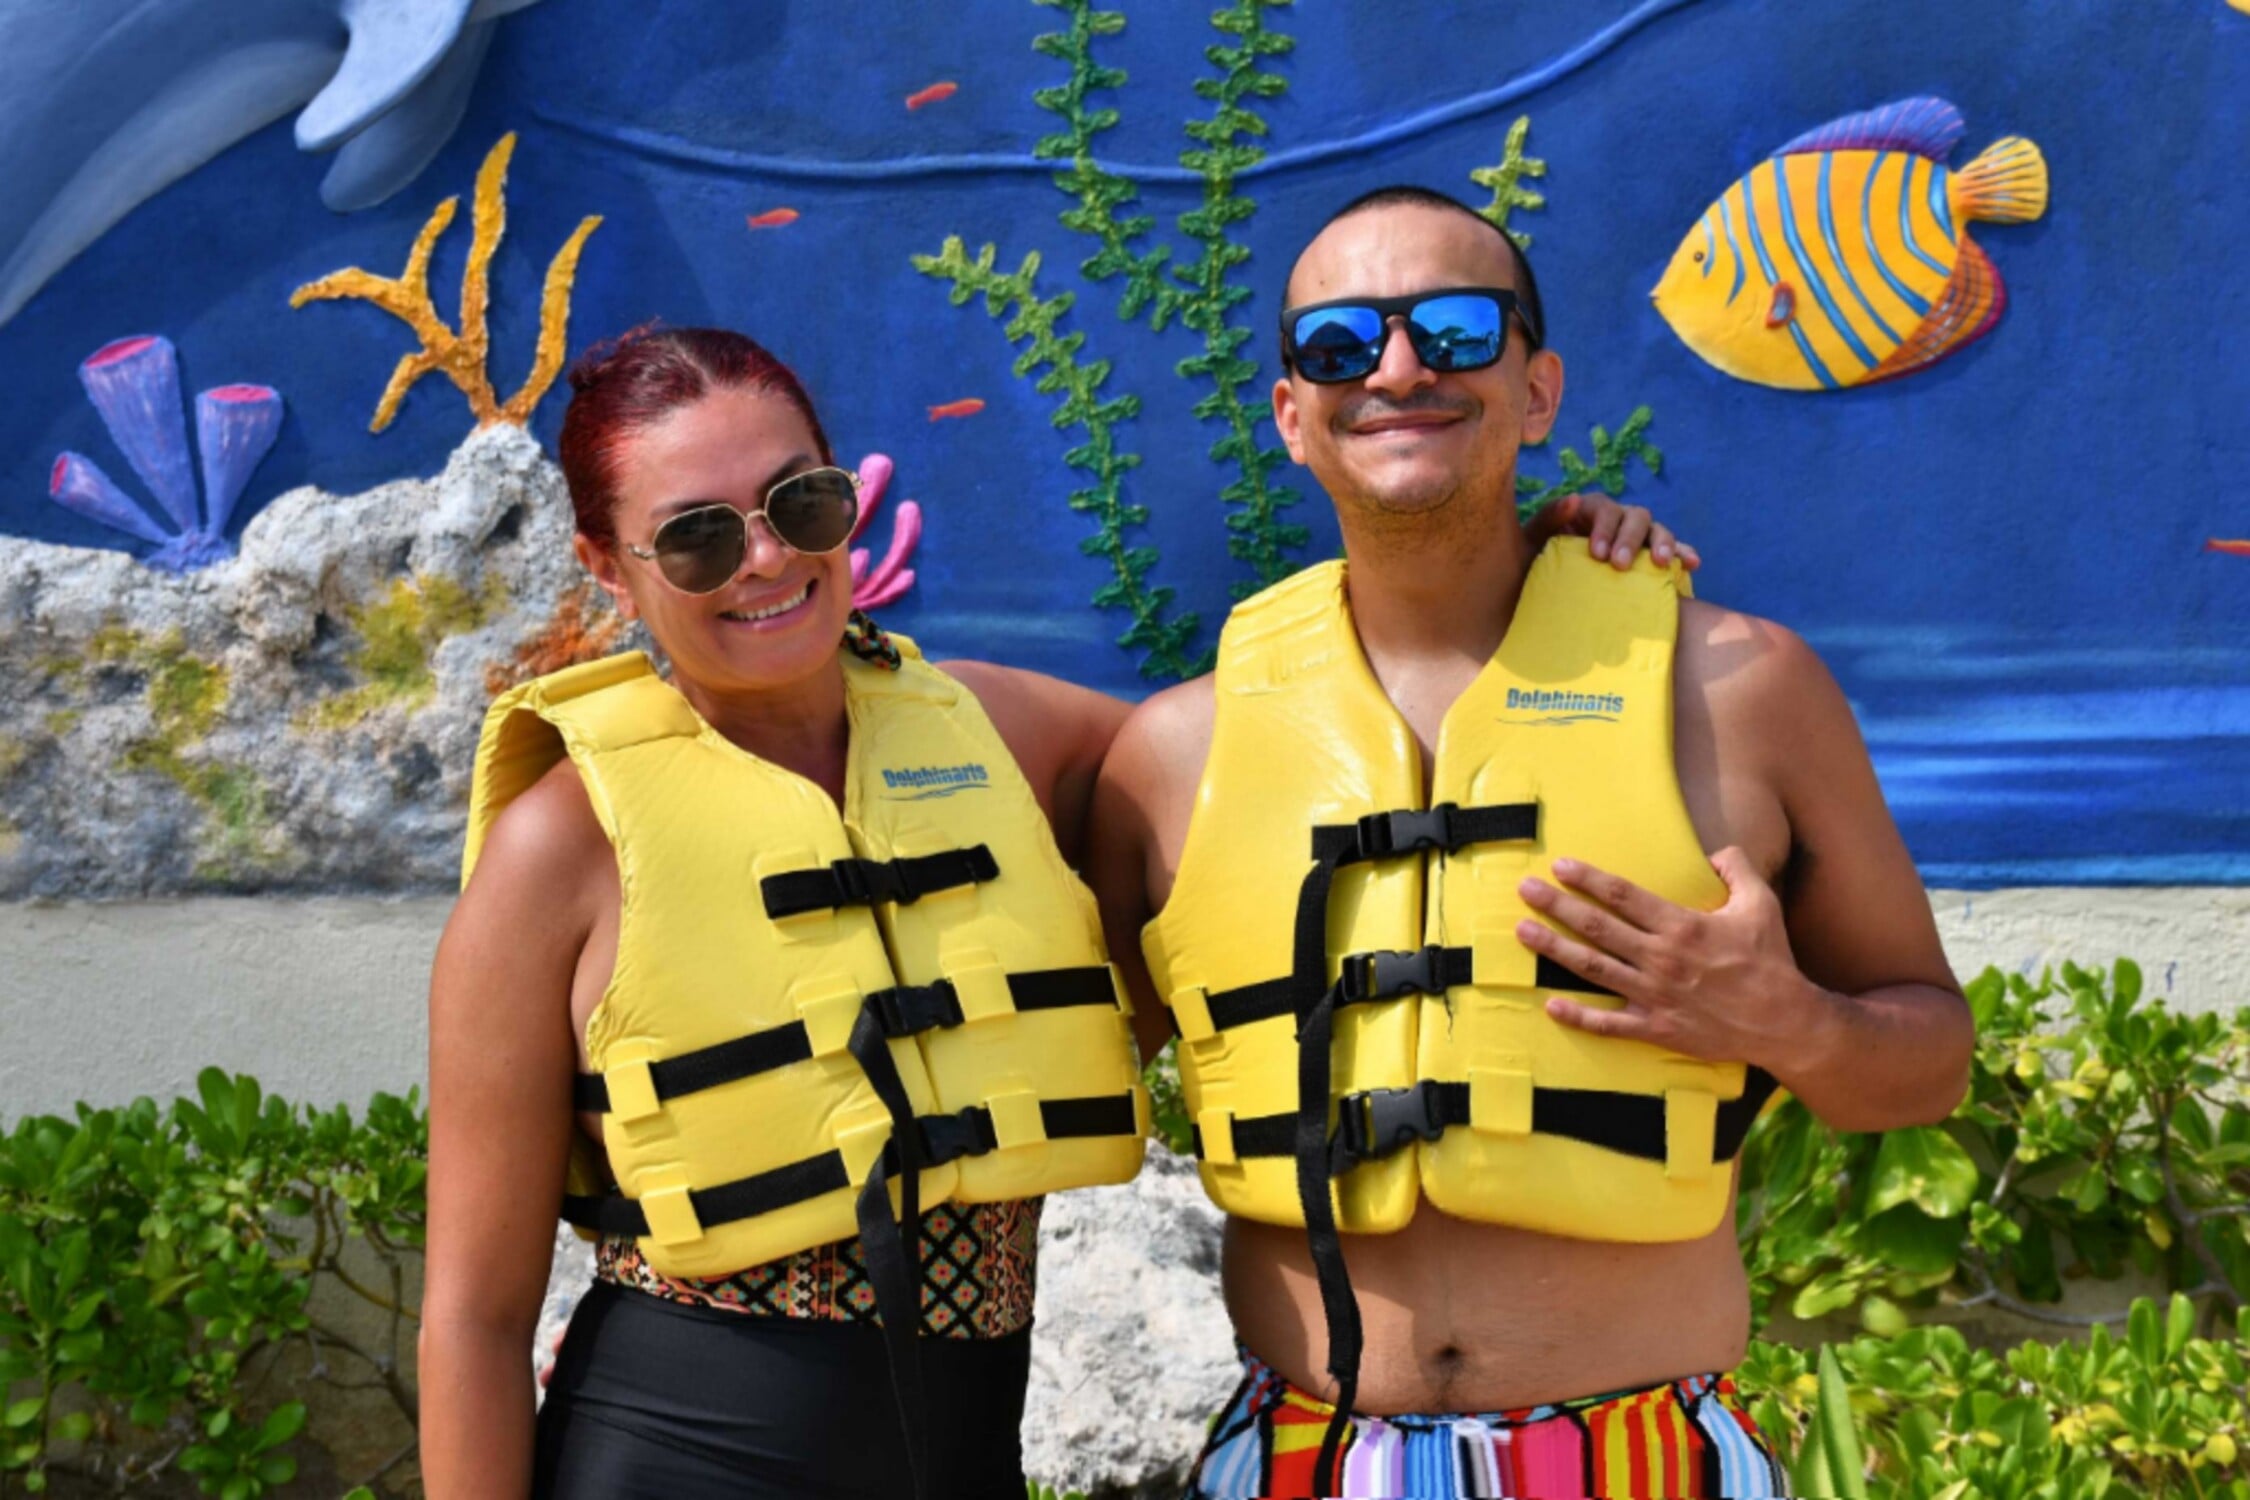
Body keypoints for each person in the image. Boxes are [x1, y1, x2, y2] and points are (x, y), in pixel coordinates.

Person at [417, 324, 1688, 1499]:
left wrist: (1518, 565)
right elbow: (474, 1317)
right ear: (607, 564)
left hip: (970, 1451)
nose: (768, 560)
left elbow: (1280, 753)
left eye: (802, 502)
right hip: (685, 1453)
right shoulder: (559, 850)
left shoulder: (1006, 739)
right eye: (697, 536)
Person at [1087, 186, 1974, 1500]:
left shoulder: (1741, 693)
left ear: (1538, 388)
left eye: (1451, 329)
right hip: (1301, 1458)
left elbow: (1929, 1065)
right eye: (1338, 344)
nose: (1396, 369)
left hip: (1642, 1456)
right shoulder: (1167, 754)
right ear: (1290, 415)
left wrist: (1789, 1024)